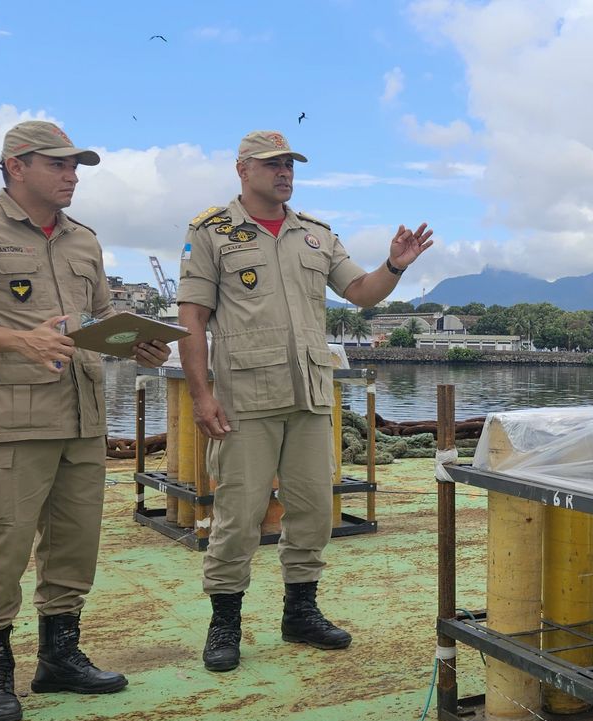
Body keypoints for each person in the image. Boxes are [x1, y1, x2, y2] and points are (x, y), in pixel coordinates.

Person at [0, 121, 172, 721]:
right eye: (58, 165)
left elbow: (99, 316)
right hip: (10, 420)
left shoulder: (84, 240)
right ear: (15, 165)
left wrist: (134, 343)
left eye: (75, 166)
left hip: (83, 419)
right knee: (0, 548)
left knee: (75, 546)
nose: (71, 176)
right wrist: (16, 341)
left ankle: (59, 656)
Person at [177, 130, 433, 672]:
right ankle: (225, 622)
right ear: (243, 169)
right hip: (245, 397)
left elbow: (360, 293)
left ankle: (301, 611)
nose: (285, 172)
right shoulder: (211, 232)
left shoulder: (314, 235)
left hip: (310, 395)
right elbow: (192, 319)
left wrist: (395, 265)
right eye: (273, 164)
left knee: (315, 509)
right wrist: (202, 395)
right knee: (238, 514)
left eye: (290, 163)